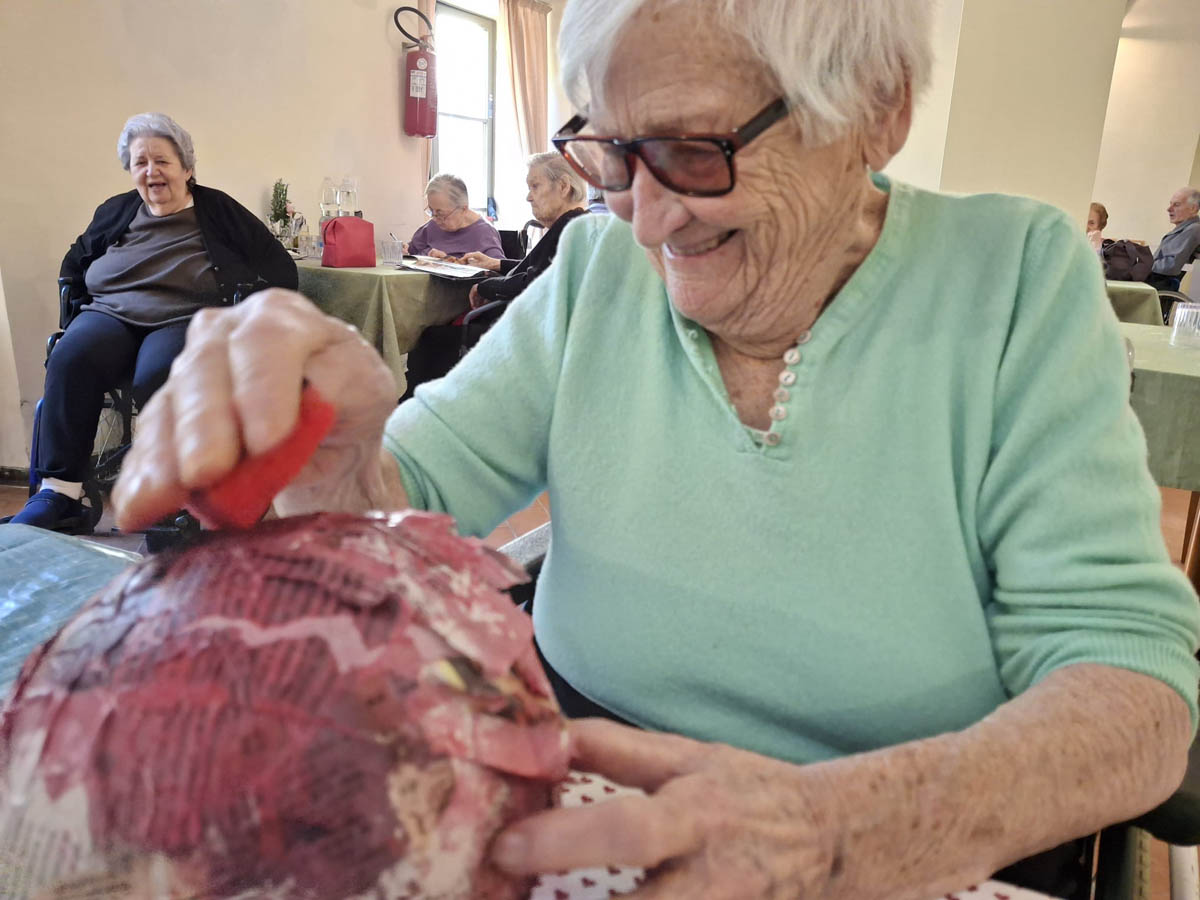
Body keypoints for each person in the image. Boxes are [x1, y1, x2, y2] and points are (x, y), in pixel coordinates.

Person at [113, 2, 1199, 898]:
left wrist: (837, 829)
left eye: (693, 152)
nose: (644, 223)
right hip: (574, 788)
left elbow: (1133, 691)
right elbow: (399, 505)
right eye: (612, 154)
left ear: (878, 110)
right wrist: (335, 456)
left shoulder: (1013, 278)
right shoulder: (595, 272)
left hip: (900, 838)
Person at [4, 112, 296, 533]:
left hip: (184, 316)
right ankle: (62, 494)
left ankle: (176, 496)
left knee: (159, 372)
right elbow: (76, 260)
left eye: (162, 161)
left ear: (187, 168)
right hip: (110, 313)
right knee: (71, 357)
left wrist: (245, 317)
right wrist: (80, 306)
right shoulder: (116, 210)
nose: (151, 171)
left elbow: (280, 269)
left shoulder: (219, 210)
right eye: (140, 162)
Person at [399, 153, 589, 401]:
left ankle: (424, 407)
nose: (529, 196)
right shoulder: (571, 225)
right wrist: (495, 263)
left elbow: (535, 281)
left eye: (535, 186)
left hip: (525, 330)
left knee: (429, 338)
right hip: (527, 322)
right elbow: (537, 268)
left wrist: (485, 286)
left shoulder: (570, 229)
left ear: (563, 186)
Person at [404, 173, 503, 259]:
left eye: (440, 214)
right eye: (431, 211)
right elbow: (411, 251)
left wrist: (449, 262)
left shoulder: (485, 234)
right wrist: (403, 250)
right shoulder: (432, 226)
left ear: (463, 209)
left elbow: (498, 270)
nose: (435, 219)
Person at [1146, 186, 1200, 292]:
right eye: (1170, 204)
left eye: (1176, 205)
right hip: (1152, 280)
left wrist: (1143, 265)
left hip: (1158, 284)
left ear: (1193, 208)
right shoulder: (1184, 229)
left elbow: (1171, 265)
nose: (1169, 209)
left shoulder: (1193, 230)